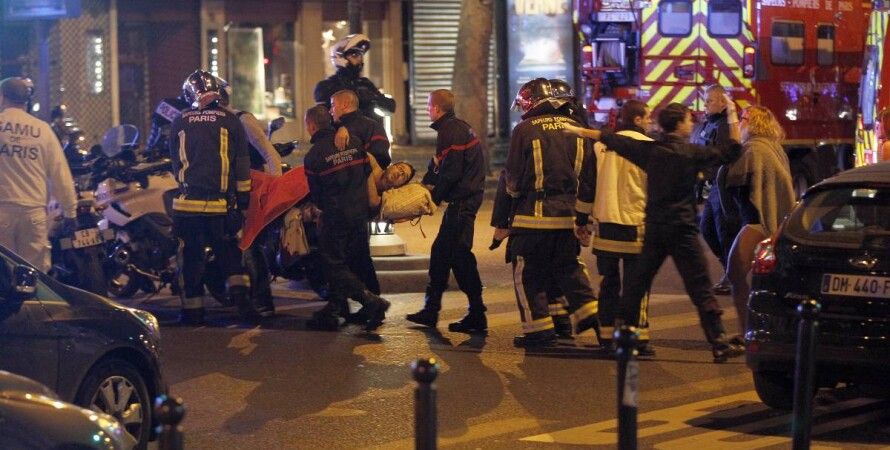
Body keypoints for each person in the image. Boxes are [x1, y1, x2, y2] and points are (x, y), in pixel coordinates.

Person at [565, 102, 746, 362]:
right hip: (682, 231)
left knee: (636, 285)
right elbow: (732, 151)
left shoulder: (650, 151)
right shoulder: (692, 152)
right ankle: (718, 342)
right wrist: (732, 117)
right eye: (688, 120)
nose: (692, 124)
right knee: (700, 287)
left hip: (655, 229)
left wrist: (580, 131)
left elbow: (613, 140)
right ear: (679, 124)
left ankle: (624, 337)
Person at [493, 78, 601, 348]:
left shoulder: (524, 129)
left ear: (530, 102)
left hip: (532, 217)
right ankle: (592, 315)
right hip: (569, 217)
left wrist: (509, 208)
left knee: (527, 274)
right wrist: (584, 218)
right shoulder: (578, 128)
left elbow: (512, 180)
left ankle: (538, 332)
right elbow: (589, 177)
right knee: (568, 268)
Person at [168, 70, 253, 325]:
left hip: (187, 207)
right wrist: (243, 201)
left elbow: (175, 164)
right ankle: (243, 304)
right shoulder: (230, 120)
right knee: (230, 254)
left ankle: (192, 313)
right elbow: (242, 163)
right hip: (220, 206)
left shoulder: (179, 121)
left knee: (191, 259)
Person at [404, 89, 487, 332]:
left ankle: (473, 313)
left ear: (437, 108)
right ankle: (435, 310)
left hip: (463, 203)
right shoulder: (455, 128)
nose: (427, 109)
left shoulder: (450, 131)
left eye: (429, 105)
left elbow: (450, 173)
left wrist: (431, 200)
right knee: (446, 254)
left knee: (455, 256)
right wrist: (428, 182)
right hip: (464, 202)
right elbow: (440, 166)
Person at [303, 104, 390, 331]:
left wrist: (320, 212)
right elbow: (367, 174)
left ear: (311, 126)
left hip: (336, 216)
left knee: (334, 264)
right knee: (360, 260)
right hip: (359, 214)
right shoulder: (355, 143)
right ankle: (335, 309)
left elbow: (317, 196)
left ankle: (371, 301)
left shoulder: (314, 156)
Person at [591, 99, 655, 354]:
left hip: (605, 222)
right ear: (637, 120)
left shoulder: (600, 146)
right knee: (636, 284)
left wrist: (582, 219)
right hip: (635, 222)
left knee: (608, 282)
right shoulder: (649, 146)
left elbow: (588, 183)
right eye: (647, 117)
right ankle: (637, 336)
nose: (650, 122)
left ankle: (607, 336)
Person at [724, 106, 795, 334]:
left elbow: (731, 176)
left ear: (753, 123)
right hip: (768, 220)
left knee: (735, 272)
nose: (740, 123)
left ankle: (748, 330)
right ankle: (759, 327)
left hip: (758, 221)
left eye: (743, 119)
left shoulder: (753, 149)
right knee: (762, 279)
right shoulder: (773, 148)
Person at [216, 76, 281, 318]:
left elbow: (269, 153)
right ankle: (242, 297)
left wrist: (274, 188)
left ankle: (262, 300)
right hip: (228, 193)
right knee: (234, 246)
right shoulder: (217, 123)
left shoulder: (242, 120)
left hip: (252, 190)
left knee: (250, 246)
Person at [0, 77, 77, 272]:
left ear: (2, 97)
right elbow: (60, 173)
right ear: (27, 101)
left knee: (3, 274)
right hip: (33, 213)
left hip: (2, 209)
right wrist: (70, 211)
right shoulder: (43, 130)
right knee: (34, 274)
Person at [330, 89, 390, 295]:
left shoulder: (368, 126)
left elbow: (380, 160)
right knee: (351, 253)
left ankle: (371, 298)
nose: (330, 110)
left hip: (357, 200)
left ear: (345, 105)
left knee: (357, 254)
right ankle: (359, 300)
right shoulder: (338, 127)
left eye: (333, 105)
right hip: (350, 202)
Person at [694, 85, 740, 295]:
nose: (705, 105)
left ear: (723, 103)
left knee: (724, 231)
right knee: (707, 229)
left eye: (710, 101)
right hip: (710, 186)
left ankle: (733, 275)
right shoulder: (709, 123)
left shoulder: (723, 126)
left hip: (721, 186)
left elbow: (725, 154)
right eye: (705, 100)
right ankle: (729, 270)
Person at [314, 34, 396, 122]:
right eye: (354, 55)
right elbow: (322, 119)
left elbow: (390, 108)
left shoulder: (365, 83)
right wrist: (356, 96)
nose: (360, 59)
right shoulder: (326, 86)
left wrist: (374, 98)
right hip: (343, 130)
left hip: (369, 130)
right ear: (341, 57)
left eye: (361, 55)